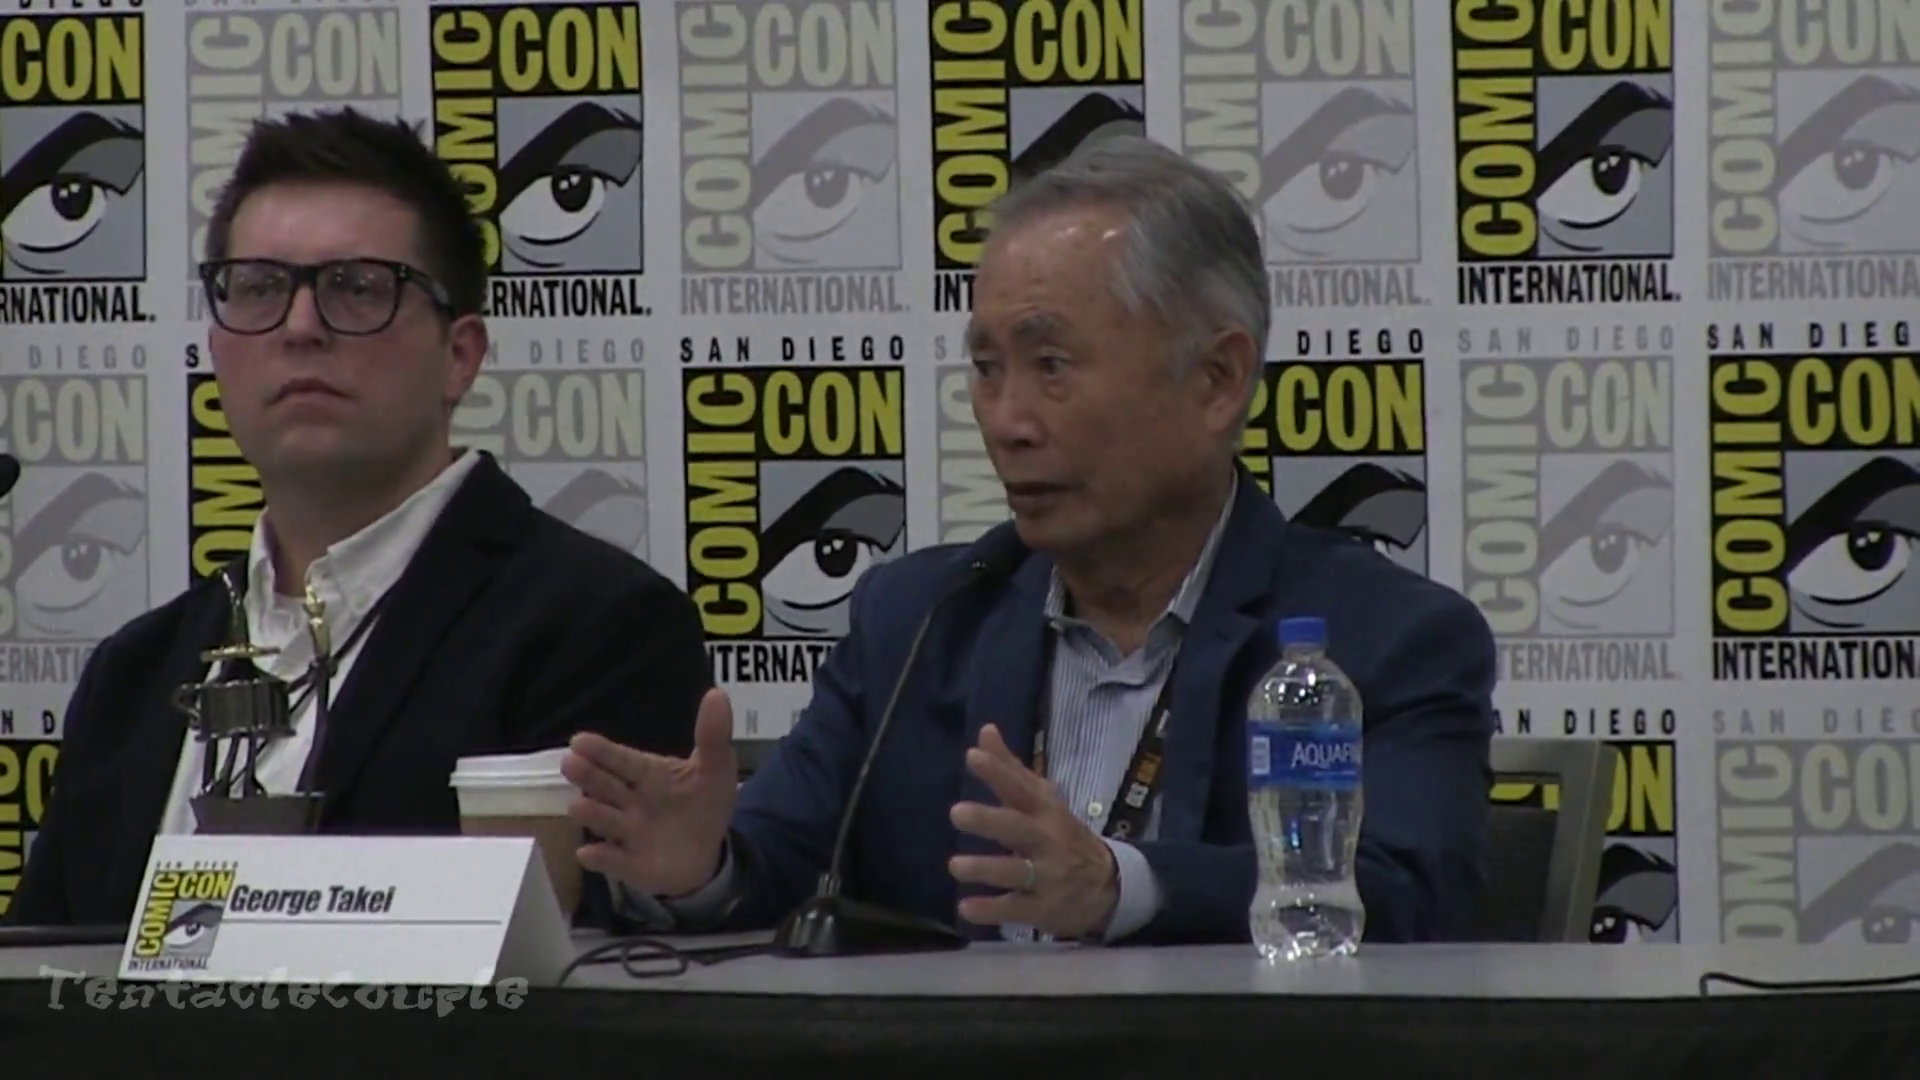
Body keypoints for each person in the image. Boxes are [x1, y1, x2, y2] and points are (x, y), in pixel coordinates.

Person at [564, 135, 1497, 946]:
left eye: (1052, 366)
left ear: (1217, 381)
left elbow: (1408, 895)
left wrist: (1122, 888)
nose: (1006, 422)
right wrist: (698, 869)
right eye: (986, 368)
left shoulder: (1386, 639)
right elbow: (774, 861)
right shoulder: (919, 621)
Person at [7, 108, 709, 928]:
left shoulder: (597, 630)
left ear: (459, 356)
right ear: (216, 346)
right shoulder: (133, 676)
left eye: (358, 287)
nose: (301, 327)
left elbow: (611, 965)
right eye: (259, 287)